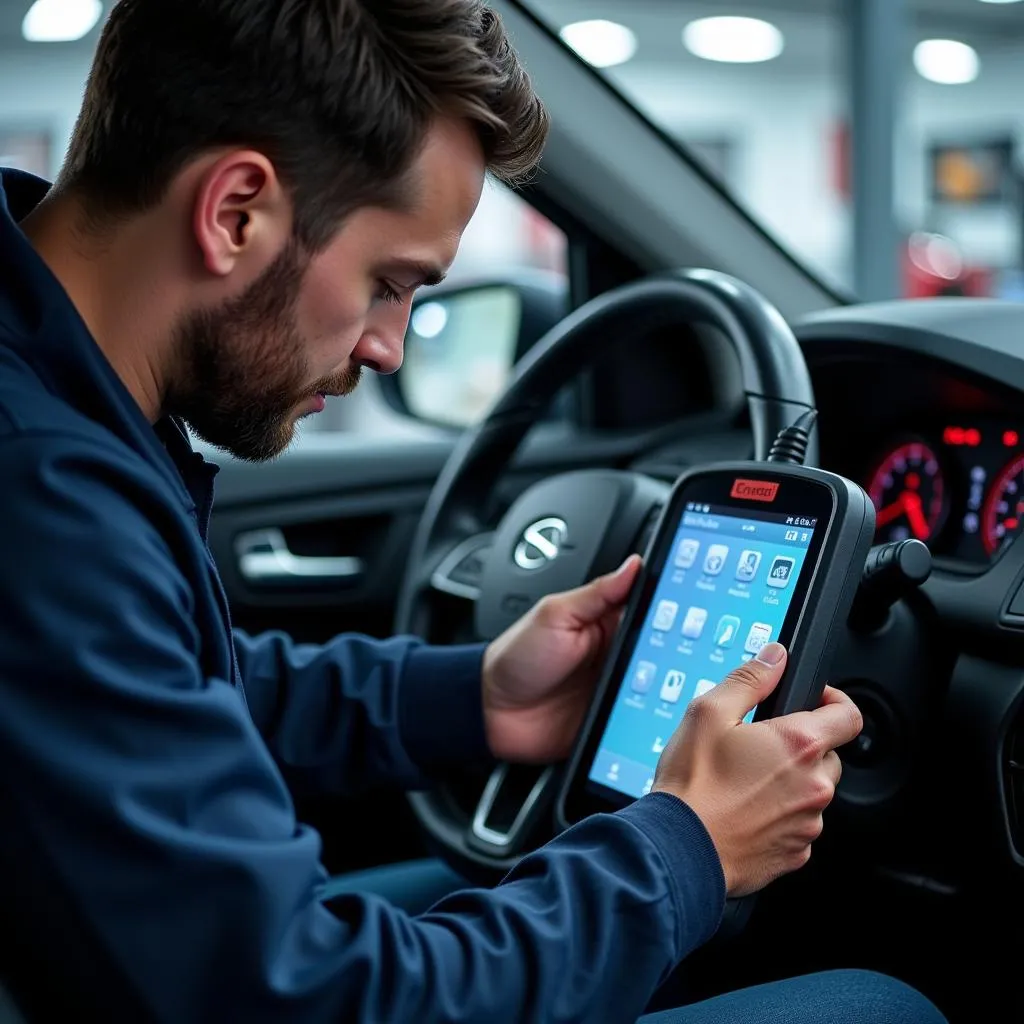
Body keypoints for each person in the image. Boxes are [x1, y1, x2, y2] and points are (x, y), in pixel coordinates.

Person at [0, 2, 948, 1022]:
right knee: (879, 1003)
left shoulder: (59, 411)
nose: (389, 348)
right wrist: (687, 846)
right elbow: (309, 1001)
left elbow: (159, 698)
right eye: (388, 283)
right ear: (236, 211)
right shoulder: (45, 497)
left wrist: (474, 696)